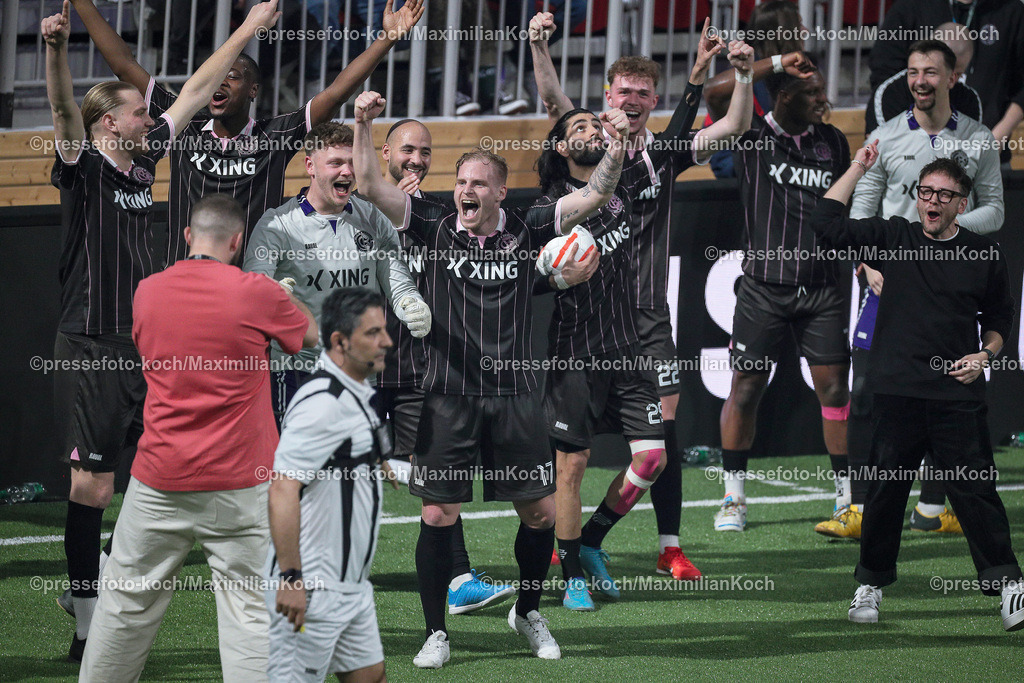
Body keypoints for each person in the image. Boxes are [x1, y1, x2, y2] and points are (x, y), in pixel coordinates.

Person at [353, 90, 632, 667]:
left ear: (500, 192)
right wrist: (361, 125)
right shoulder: (428, 221)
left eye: (479, 184)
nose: (467, 192)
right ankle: (437, 632)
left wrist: (621, 145)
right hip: (448, 398)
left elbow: (597, 192)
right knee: (436, 514)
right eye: (461, 182)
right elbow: (370, 186)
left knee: (541, 515)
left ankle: (528, 610)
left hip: (514, 400)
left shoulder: (530, 225)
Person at [44, 0, 283, 662]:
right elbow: (64, 114)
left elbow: (201, 87)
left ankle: (105, 583)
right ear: (108, 122)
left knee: (152, 471)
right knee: (91, 485)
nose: (153, 116)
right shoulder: (83, 164)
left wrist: (248, 30)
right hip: (90, 342)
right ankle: (88, 618)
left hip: (143, 343)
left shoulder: (145, 163)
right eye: (140, 110)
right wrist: (58, 52)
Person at [531, 12, 753, 581]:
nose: (632, 99)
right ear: (608, 95)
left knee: (660, 439)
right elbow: (555, 100)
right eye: (623, 90)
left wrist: (737, 76)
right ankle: (569, 548)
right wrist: (537, 45)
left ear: (653, 99)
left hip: (648, 313)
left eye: (642, 92)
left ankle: (656, 543)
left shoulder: (662, 151)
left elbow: (731, 128)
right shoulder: (584, 147)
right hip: (585, 318)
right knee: (573, 452)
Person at [79, 195, 318, 681]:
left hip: (158, 478)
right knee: (251, 615)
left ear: (187, 237)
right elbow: (311, 335)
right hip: (241, 484)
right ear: (238, 242)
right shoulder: (257, 292)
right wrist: (281, 292)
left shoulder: (147, 291)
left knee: (123, 608)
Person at [811, 150, 1024, 632]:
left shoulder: (983, 254)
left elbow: (999, 320)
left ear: (961, 203)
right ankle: (870, 584)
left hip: (956, 395)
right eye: (925, 192)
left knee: (976, 492)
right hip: (894, 393)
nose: (931, 202)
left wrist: (986, 355)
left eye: (944, 195)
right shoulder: (892, 236)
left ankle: (1009, 584)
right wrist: (859, 167)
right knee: (885, 494)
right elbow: (825, 221)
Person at [69, 0, 425, 263]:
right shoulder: (184, 125)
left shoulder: (275, 136)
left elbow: (336, 93)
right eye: (216, 78)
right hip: (188, 282)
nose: (219, 84)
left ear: (253, 90)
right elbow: (122, 64)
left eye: (233, 77)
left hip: (251, 286)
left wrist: (388, 38)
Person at [817, 39, 1003, 539]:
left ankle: (933, 506)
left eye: (930, 72)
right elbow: (863, 205)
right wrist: (866, 260)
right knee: (867, 389)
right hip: (885, 282)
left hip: (946, 287)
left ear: (952, 78)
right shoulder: (884, 136)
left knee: (946, 390)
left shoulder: (980, 139)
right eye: (913, 71)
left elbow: (995, 209)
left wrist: (942, 238)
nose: (920, 80)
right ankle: (860, 507)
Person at [374, 118, 517, 616]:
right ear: (384, 151)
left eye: (426, 152)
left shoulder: (439, 215)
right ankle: (302, 569)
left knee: (436, 480)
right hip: (358, 367)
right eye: (407, 149)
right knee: (324, 468)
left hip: (419, 368)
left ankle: (457, 580)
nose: (416, 160)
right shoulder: (352, 205)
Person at [715, 64, 852, 534]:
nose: (821, 98)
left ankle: (845, 500)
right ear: (782, 96)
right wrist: (772, 64)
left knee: (834, 390)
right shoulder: (750, 134)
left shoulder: (833, 142)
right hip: (763, 287)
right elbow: (716, 94)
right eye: (809, 92)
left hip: (822, 289)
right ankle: (733, 496)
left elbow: (844, 211)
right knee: (746, 389)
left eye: (821, 89)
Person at [242, 121, 428, 427]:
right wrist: (271, 294)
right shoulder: (278, 224)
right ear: (310, 166)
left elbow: (398, 281)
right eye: (336, 163)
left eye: (353, 163)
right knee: (296, 470)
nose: (347, 172)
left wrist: (412, 305)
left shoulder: (374, 218)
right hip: (295, 372)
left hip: (358, 373)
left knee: (353, 469)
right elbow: (252, 285)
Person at [267, 287, 392, 683]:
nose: (386, 341)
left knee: (369, 675)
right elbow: (282, 488)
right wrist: (290, 579)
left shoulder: (358, 393)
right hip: (313, 591)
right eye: (373, 333)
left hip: (352, 587)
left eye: (384, 331)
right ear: (339, 342)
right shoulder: (321, 404)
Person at [867, 0, 1024, 163]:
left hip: (988, 155)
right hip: (912, 158)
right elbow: (885, 79)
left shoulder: (1012, 10)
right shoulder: (910, 6)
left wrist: (996, 138)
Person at [703, 0, 815, 178]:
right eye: (799, 25)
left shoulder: (796, 72)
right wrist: (779, 63)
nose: (805, 31)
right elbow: (711, 90)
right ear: (784, 33)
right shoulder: (745, 71)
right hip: (735, 162)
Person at [865, 23, 983, 134]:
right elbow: (887, 150)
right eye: (933, 71)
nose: (953, 79)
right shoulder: (890, 95)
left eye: (958, 73)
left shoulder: (968, 99)